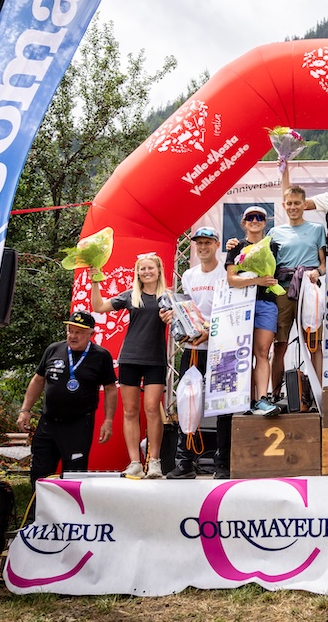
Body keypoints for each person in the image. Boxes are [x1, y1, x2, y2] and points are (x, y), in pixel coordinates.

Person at [90, 252, 173, 479]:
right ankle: (135, 462)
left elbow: (183, 321)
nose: (146, 272)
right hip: (129, 358)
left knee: (152, 409)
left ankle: (154, 462)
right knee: (130, 411)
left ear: (159, 271)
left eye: (150, 268)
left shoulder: (167, 297)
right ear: (137, 273)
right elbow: (98, 306)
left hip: (155, 360)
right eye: (142, 269)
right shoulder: (130, 295)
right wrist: (95, 282)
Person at [18, 310, 117, 482]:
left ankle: (70, 501)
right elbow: (38, 380)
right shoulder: (53, 349)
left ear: (91, 334)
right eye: (70, 331)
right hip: (48, 422)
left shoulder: (101, 356)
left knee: (73, 476)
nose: (73, 336)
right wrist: (25, 410)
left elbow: (110, 389)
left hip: (78, 425)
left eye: (79, 332)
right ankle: (37, 501)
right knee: (39, 474)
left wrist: (108, 421)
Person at [167, 226, 223, 479]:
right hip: (192, 348)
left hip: (219, 348)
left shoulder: (226, 273)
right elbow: (185, 309)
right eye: (199, 243)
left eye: (208, 243)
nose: (203, 247)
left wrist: (210, 331)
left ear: (217, 245)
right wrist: (176, 321)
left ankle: (223, 463)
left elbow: (228, 309)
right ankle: (184, 463)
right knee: (186, 402)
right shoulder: (189, 275)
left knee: (222, 406)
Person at [267, 185, 327, 389]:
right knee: (280, 344)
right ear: (284, 205)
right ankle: (275, 393)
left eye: (297, 203)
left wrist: (317, 272)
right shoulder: (275, 232)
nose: (293, 207)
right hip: (283, 291)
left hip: (309, 290)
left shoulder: (317, 229)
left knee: (314, 343)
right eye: (289, 203)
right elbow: (269, 265)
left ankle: (318, 392)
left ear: (304, 204)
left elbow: (324, 264)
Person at [226, 205, 283, 417]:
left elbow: (276, 272)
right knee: (244, 354)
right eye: (250, 217)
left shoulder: (273, 246)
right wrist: (257, 280)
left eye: (260, 217)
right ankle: (246, 400)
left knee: (262, 352)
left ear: (265, 222)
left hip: (266, 303)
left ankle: (262, 399)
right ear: (244, 223)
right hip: (241, 305)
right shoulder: (236, 246)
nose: (255, 221)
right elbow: (231, 279)